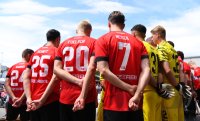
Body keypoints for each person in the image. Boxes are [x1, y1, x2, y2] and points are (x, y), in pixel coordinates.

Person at [94, 11, 150, 121]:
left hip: (114, 103)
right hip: (135, 101)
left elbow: (103, 70)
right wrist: (137, 94)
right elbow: (147, 69)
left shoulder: (103, 40)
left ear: (109, 24)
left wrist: (128, 88)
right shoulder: (138, 43)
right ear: (123, 25)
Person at [54, 20, 97, 121]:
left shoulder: (63, 44)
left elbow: (56, 69)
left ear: (76, 30)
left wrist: (76, 81)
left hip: (66, 96)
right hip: (87, 96)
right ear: (90, 31)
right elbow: (91, 69)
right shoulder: (94, 42)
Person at [131, 24, 174, 121]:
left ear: (133, 34)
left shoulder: (139, 46)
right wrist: (159, 87)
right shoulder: (154, 49)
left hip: (146, 91)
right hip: (156, 93)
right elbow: (160, 71)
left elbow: (146, 71)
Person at [151, 25, 191, 121]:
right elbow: (180, 69)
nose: (152, 38)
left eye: (152, 36)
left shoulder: (161, 48)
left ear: (157, 35)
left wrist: (176, 86)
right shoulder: (172, 48)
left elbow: (166, 70)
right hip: (176, 89)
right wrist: (180, 86)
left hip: (168, 90)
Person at [23, 29, 61, 121]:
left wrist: (28, 98)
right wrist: (43, 99)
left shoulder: (35, 53)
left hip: (33, 100)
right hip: (50, 100)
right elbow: (55, 76)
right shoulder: (57, 51)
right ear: (58, 39)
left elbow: (26, 76)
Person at [5, 48, 34, 121]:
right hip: (25, 102)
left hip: (12, 102)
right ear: (28, 55)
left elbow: (6, 84)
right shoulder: (30, 67)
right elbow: (30, 85)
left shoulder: (12, 67)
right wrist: (21, 99)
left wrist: (13, 97)